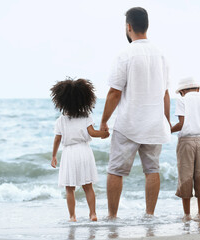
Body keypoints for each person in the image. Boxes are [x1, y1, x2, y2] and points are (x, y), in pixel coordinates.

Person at [100, 7, 171, 219]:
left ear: (128, 27)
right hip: (154, 124)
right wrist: (166, 120)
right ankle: (150, 215)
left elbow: (114, 92)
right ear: (146, 25)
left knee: (115, 171)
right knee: (152, 170)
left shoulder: (125, 55)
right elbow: (166, 93)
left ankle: (112, 217)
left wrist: (103, 121)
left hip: (129, 124)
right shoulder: (162, 55)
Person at [50, 78, 110, 222]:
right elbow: (92, 133)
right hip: (84, 151)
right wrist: (104, 134)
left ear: (62, 101)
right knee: (88, 186)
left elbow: (57, 139)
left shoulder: (61, 120)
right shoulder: (86, 116)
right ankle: (93, 214)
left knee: (69, 188)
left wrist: (53, 156)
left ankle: (72, 216)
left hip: (69, 153)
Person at [171, 77, 200, 222]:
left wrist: (167, 131)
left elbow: (181, 124)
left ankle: (187, 215)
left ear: (183, 91)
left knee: (186, 177)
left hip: (186, 142)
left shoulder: (182, 100)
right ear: (197, 89)